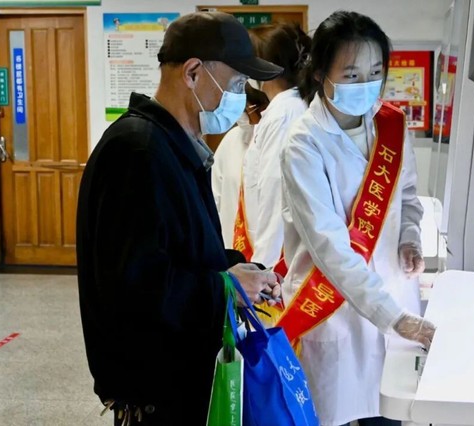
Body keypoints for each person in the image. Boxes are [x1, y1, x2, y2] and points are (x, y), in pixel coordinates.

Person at [76, 12, 283, 426]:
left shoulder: (174, 146)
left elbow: (182, 250)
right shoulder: (137, 152)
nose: (240, 98)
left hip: (185, 385)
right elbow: (136, 289)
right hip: (158, 397)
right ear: (192, 73)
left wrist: (238, 270)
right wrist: (224, 287)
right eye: (237, 83)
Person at [276, 10, 436, 426]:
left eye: (375, 73)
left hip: (395, 303)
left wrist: (409, 237)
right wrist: (394, 318)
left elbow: (407, 197)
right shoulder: (304, 144)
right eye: (351, 75)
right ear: (320, 74)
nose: (366, 84)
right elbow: (330, 247)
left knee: (390, 413)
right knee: (337, 413)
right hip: (335, 313)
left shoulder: (391, 126)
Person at [234, 22, 311, 271]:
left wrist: (263, 265)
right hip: (278, 252)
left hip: (278, 257)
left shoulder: (284, 112)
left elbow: (275, 190)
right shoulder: (285, 107)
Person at [212, 83, 269, 248]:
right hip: (231, 249)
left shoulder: (283, 141)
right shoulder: (231, 141)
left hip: (274, 254)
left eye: (249, 108)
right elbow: (214, 200)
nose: (244, 116)